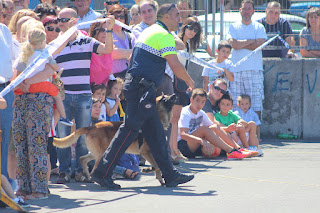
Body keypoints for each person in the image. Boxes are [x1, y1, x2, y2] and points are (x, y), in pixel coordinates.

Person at [91, 4, 195, 190]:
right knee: (128, 131)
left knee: (155, 133)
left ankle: (170, 175)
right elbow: (175, 65)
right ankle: (102, 172)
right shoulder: (163, 35)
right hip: (142, 90)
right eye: (176, 15)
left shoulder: (153, 31)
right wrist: (190, 81)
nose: (179, 18)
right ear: (166, 17)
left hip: (140, 89)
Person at [54, 8, 115, 184]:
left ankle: (82, 172)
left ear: (74, 21)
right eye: (59, 19)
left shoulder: (86, 41)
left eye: (64, 19)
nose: (60, 23)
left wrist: (109, 30)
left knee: (84, 135)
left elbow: (108, 49)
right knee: (63, 133)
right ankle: (64, 171)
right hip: (63, 97)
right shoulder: (57, 43)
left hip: (82, 95)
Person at [13, 24, 57, 200]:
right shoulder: (24, 55)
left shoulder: (46, 54)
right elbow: (16, 77)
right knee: (22, 145)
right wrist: (25, 83)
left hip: (38, 101)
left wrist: (28, 82)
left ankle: (39, 189)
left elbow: (54, 68)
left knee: (35, 146)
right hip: (24, 101)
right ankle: (25, 187)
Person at [14, 29, 73, 126]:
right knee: (58, 96)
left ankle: (14, 107)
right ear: (42, 42)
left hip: (26, 86)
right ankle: (63, 117)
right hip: (41, 85)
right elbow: (56, 68)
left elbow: (18, 75)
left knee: (16, 94)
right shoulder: (45, 54)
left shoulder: (24, 55)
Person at [177, 88, 254, 160]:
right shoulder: (185, 112)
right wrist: (201, 140)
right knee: (204, 129)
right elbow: (183, 135)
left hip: (195, 144)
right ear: (191, 100)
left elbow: (214, 128)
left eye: (203, 102)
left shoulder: (201, 113)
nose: (200, 104)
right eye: (197, 100)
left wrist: (227, 129)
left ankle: (237, 148)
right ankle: (231, 151)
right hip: (183, 145)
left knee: (214, 126)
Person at [169, 16, 203, 163]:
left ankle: (174, 150)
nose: (192, 31)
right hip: (171, 81)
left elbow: (184, 66)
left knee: (175, 117)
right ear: (184, 26)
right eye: (190, 27)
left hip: (181, 83)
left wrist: (187, 80)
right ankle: (171, 151)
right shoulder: (175, 40)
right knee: (170, 118)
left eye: (195, 29)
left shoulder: (188, 45)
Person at [227, 0, 267, 118]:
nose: (246, 11)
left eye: (249, 9)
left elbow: (259, 45)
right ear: (240, 10)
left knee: (255, 102)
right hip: (236, 70)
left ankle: (255, 133)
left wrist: (241, 43)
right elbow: (233, 44)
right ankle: (237, 132)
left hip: (254, 70)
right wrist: (251, 41)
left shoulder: (259, 27)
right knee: (235, 104)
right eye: (244, 9)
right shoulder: (233, 26)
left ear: (253, 11)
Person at [90, 98, 139, 180]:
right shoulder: (84, 124)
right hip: (76, 160)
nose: (98, 110)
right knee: (96, 158)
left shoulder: (100, 123)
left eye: (100, 107)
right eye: (95, 106)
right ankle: (124, 171)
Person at [0, 0, 15, 185]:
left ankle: (3, 188)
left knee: (4, 139)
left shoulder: (4, 30)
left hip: (6, 88)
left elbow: (12, 61)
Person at [109, 4, 136, 79]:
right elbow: (113, 53)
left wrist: (123, 53)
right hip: (113, 78)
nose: (119, 20)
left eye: (121, 17)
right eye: (116, 17)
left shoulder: (131, 36)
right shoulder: (107, 35)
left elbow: (137, 54)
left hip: (128, 77)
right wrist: (131, 53)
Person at [88, 20, 113, 85]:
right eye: (102, 30)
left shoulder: (110, 50)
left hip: (103, 91)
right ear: (94, 31)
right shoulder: (88, 48)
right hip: (88, 89)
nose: (105, 33)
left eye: (107, 30)